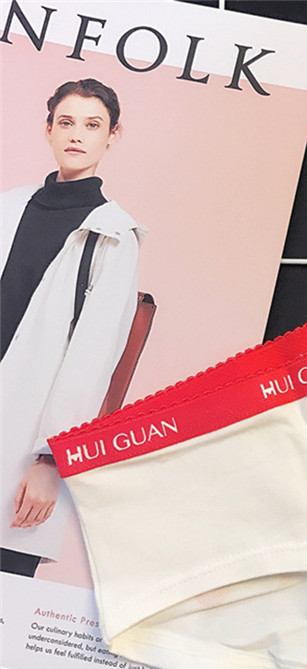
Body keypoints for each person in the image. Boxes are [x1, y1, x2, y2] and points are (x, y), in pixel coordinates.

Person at [0, 78, 145, 577]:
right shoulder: (9, 206)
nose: (77, 135)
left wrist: (51, 461)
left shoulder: (113, 235)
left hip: (23, 442)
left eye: (92, 124)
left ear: (112, 135)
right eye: (66, 122)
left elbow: (93, 358)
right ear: (48, 130)